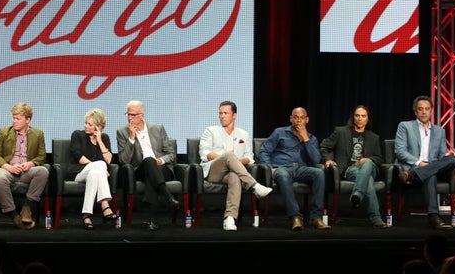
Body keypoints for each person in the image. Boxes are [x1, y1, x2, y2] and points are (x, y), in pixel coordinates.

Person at [198, 100, 272, 231]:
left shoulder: (244, 134)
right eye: (220, 113)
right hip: (213, 171)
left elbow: (249, 157)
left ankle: (229, 219)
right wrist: (228, 159)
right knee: (228, 155)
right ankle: (254, 186)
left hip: (232, 173)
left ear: (234, 115)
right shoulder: (210, 131)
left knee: (234, 176)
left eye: (225, 113)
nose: (222, 116)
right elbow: (205, 153)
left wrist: (234, 163)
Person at [257, 106, 331, 230]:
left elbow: (315, 160)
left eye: (302, 118)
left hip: (302, 169)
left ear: (307, 120)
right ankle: (296, 217)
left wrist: (305, 139)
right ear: (291, 119)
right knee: (283, 175)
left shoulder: (311, 138)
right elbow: (264, 151)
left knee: (319, 173)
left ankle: (316, 217)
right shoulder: (279, 132)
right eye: (296, 117)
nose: (299, 121)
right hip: (282, 168)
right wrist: (269, 168)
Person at [394, 95, 455, 230]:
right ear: (415, 111)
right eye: (420, 109)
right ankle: (434, 217)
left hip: (425, 168)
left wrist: (448, 154)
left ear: (431, 111)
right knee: (431, 174)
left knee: (454, 158)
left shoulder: (439, 131)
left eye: (427, 109)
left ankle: (412, 174)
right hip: (416, 166)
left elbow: (441, 154)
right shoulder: (405, 126)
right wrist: (419, 163)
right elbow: (400, 151)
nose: (424, 112)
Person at [320, 104, 388, 228]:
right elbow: (324, 146)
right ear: (353, 117)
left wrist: (369, 159)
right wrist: (328, 160)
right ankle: (376, 218)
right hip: (350, 170)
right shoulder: (340, 132)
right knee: (368, 181)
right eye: (357, 115)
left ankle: (357, 193)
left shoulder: (374, 137)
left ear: (367, 119)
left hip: (370, 168)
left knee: (367, 164)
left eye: (363, 116)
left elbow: (379, 158)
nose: (360, 118)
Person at [116, 99, 180, 231]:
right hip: (140, 169)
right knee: (149, 161)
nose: (129, 118)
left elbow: (171, 154)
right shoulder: (122, 132)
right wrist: (131, 138)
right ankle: (168, 198)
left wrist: (161, 161)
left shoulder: (157, 128)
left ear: (142, 115)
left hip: (162, 169)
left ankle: (153, 220)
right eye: (127, 115)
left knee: (152, 172)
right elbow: (124, 160)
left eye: (133, 115)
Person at [0, 101, 48, 230]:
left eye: (18, 118)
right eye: (13, 118)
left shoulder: (38, 134)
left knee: (43, 171)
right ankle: (13, 215)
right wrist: (7, 166)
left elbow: (42, 156)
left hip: (27, 171)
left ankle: (27, 208)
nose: (14, 121)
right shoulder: (4, 132)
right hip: (8, 169)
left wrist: (31, 163)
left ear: (28, 120)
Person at [68, 108, 118, 230]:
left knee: (95, 173)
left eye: (90, 124)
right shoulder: (77, 135)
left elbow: (109, 160)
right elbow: (78, 157)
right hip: (79, 173)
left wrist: (100, 140)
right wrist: (100, 166)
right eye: (86, 123)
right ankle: (105, 205)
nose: (86, 126)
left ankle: (86, 215)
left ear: (99, 127)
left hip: (94, 174)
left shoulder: (104, 138)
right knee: (99, 166)